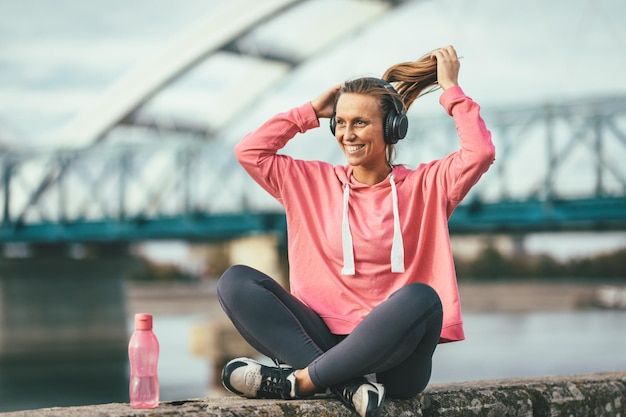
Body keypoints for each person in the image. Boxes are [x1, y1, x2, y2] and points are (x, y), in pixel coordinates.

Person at [217, 45, 495, 417]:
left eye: (360, 122)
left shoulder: (428, 186)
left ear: (392, 129)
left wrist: (451, 90)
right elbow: (249, 152)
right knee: (234, 281)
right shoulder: (309, 182)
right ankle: (349, 387)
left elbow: (479, 153)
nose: (347, 133)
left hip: (396, 363)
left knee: (424, 298)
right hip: (322, 340)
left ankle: (300, 383)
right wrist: (310, 111)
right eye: (341, 122)